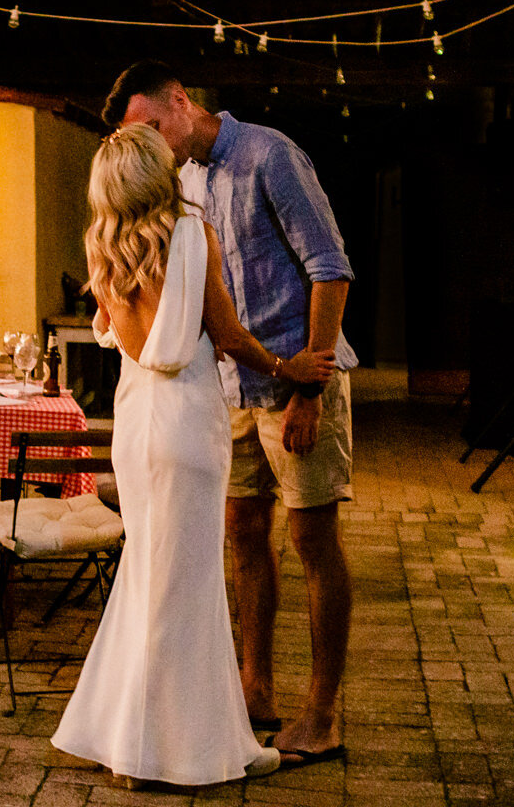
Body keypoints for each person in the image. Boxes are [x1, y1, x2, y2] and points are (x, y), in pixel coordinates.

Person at [50, 124, 335, 788]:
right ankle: (161, 752)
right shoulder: (189, 235)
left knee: (149, 578)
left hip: (136, 423)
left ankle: (132, 736)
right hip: (184, 423)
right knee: (185, 586)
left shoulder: (102, 247)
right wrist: (284, 368)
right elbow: (228, 332)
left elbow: (124, 336)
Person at [105, 61, 356, 764]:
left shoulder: (270, 156)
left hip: (298, 377)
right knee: (245, 536)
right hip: (227, 391)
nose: (150, 146)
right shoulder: (177, 182)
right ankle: (254, 689)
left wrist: (308, 386)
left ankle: (323, 712)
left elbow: (330, 268)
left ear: (181, 101)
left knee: (313, 542)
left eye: (152, 128)